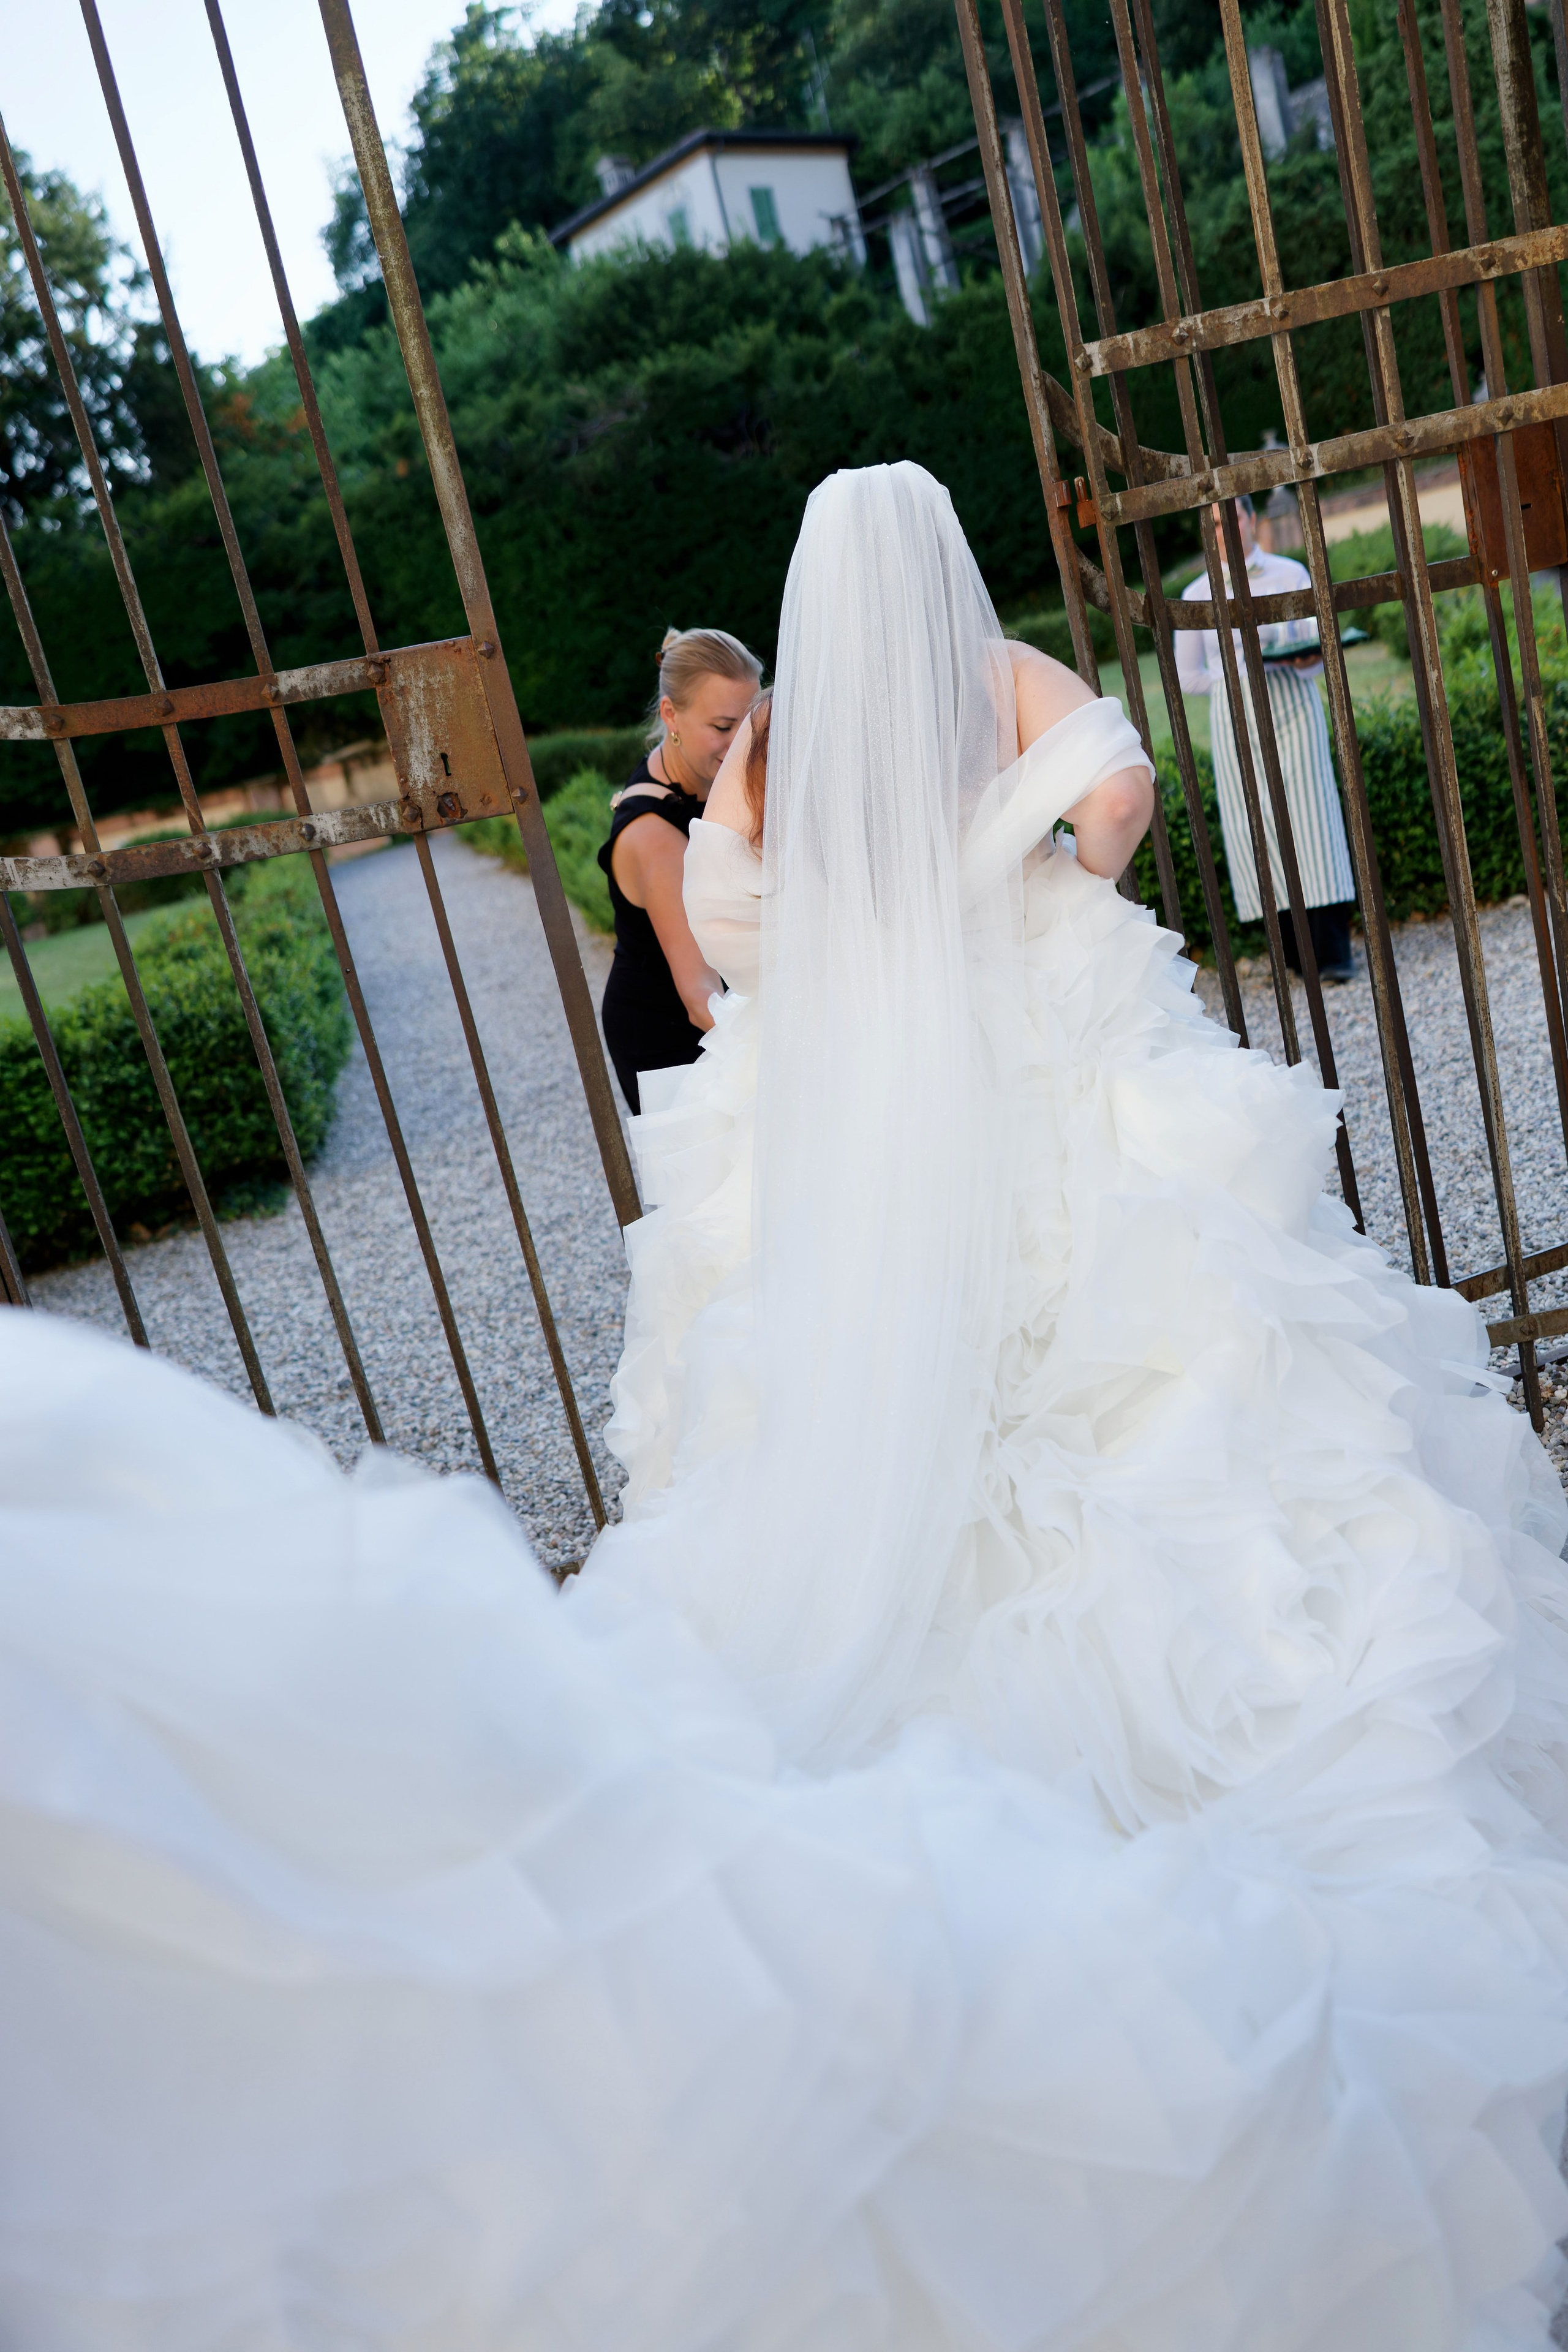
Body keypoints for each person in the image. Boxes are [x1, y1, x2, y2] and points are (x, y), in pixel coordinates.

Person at [0, 462, 1565, 2351]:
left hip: (864, 1106)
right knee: (1163, 1341)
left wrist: (862, 939)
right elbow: (1124, 784)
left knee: (877, 1367)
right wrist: (1041, 875)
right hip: (1045, 1046)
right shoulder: (994, 661)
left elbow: (731, 924)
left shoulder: (781, 741)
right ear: (942, 562)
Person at [1175, 494, 1359, 980]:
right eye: (1214, 523)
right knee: (1257, 826)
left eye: (1232, 517)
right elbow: (1187, 674)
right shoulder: (1195, 595)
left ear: (1252, 521)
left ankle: (1335, 955)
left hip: (1293, 707)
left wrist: (1304, 659)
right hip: (1234, 717)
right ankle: (1294, 959)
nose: (1225, 529)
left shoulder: (1290, 573)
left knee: (1313, 820)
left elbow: (1319, 647)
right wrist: (1232, 675)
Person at [598, 625, 761, 1112]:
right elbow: (699, 995)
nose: (740, 744)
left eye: (750, 722)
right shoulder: (656, 839)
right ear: (671, 714)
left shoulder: (707, 770)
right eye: (723, 726)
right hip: (673, 1037)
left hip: (732, 1008)